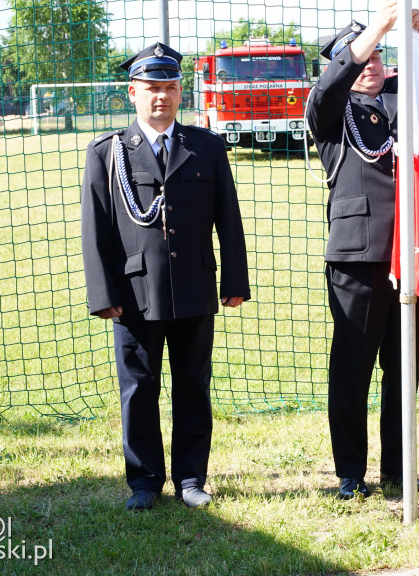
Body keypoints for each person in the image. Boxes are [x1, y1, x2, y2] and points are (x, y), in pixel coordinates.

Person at [80, 42, 250, 510]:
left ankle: (191, 479)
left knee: (193, 384)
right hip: (133, 293)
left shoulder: (208, 147)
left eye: (170, 88)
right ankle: (144, 483)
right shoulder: (107, 152)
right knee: (138, 387)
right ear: (132, 92)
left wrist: (234, 281)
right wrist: (102, 293)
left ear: (181, 94)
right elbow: (95, 228)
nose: (162, 97)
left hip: (194, 287)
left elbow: (228, 220)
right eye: (152, 88)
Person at [306, 1, 419, 500]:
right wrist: (377, 27)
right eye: (361, 59)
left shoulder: (401, 104)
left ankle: (398, 469)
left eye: (379, 57)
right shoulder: (329, 112)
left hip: (409, 254)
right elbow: (326, 88)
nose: (373, 66)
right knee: (352, 367)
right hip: (358, 258)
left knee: (403, 367)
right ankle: (350, 472)